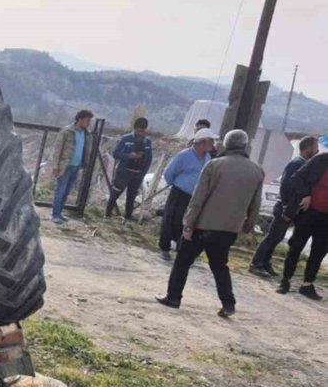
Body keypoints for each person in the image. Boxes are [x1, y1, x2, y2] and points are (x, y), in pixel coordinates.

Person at [156, 130, 263, 318]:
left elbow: (198, 197)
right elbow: (255, 203)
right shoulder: (256, 170)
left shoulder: (214, 165)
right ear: (244, 146)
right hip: (230, 228)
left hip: (203, 225)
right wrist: (248, 226)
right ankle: (228, 304)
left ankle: (173, 297)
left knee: (182, 261)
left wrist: (188, 224)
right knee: (220, 265)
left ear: (227, 145)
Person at [249, 135, 319, 277]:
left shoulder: (303, 164)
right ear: (308, 149)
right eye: (315, 147)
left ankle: (265, 262)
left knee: (278, 237)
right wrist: (287, 208)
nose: (317, 151)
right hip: (285, 208)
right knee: (273, 236)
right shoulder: (296, 164)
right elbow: (287, 187)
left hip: (291, 208)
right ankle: (256, 263)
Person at [158, 128, 218, 261]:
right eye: (211, 141)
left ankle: (181, 249)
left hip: (195, 196)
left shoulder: (207, 157)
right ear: (203, 142)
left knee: (187, 222)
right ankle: (164, 248)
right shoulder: (184, 155)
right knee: (170, 220)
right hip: (180, 192)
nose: (213, 144)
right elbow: (169, 172)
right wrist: (176, 184)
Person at [277, 151, 328, 300]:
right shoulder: (321, 160)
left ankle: (307, 284)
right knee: (296, 246)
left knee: (319, 251)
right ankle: (285, 280)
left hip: (326, 217)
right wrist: (306, 194)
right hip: (309, 211)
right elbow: (297, 178)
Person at [49, 109, 94, 224]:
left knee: (66, 191)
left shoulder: (86, 134)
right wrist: (55, 166)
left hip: (76, 166)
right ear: (80, 119)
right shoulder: (67, 131)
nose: (88, 123)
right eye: (87, 120)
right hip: (65, 165)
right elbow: (57, 149)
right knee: (60, 190)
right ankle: (55, 215)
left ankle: (59, 213)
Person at [105, 117, 153, 220]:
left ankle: (127, 217)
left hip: (137, 174)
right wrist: (129, 156)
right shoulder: (126, 139)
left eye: (143, 131)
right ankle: (107, 214)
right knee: (115, 193)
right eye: (138, 130)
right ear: (135, 128)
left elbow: (149, 159)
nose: (140, 133)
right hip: (124, 172)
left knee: (131, 197)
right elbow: (116, 153)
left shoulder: (147, 142)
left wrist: (143, 173)